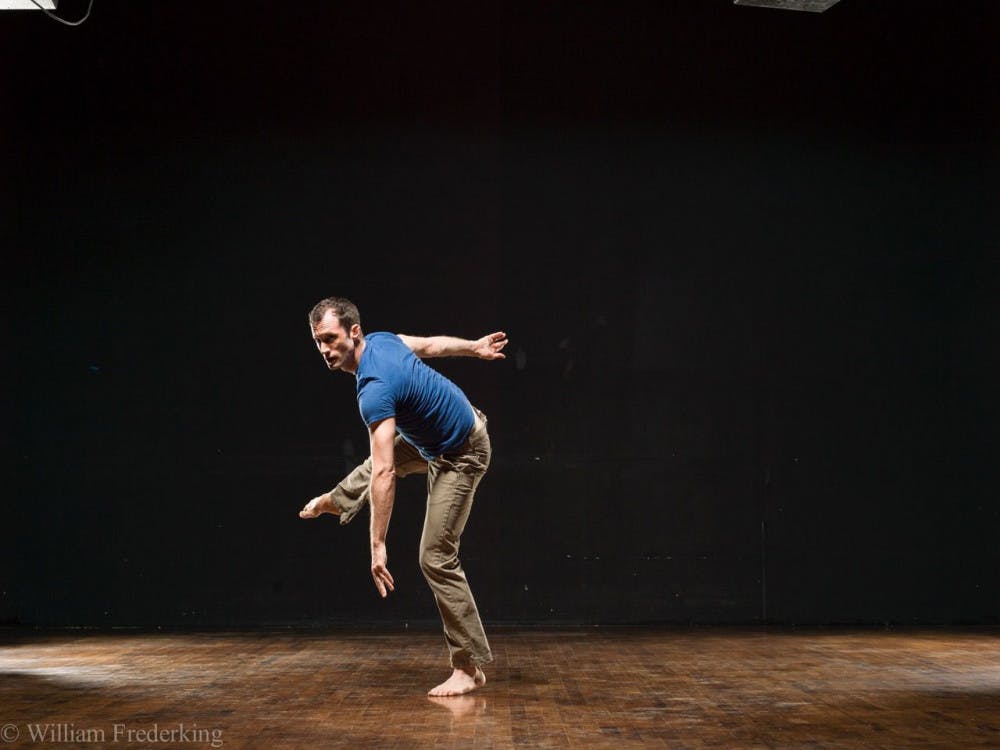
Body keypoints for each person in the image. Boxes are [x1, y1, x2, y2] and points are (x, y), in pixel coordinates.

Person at [298, 297, 507, 697]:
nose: (324, 349)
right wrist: (474, 347)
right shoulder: (383, 340)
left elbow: (386, 473)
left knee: (435, 556)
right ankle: (336, 500)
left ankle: (468, 667)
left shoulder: (373, 388)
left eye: (330, 338)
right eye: (317, 341)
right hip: (437, 438)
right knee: (374, 462)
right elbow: (430, 346)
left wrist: (378, 545)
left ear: (354, 332)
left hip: (463, 452)